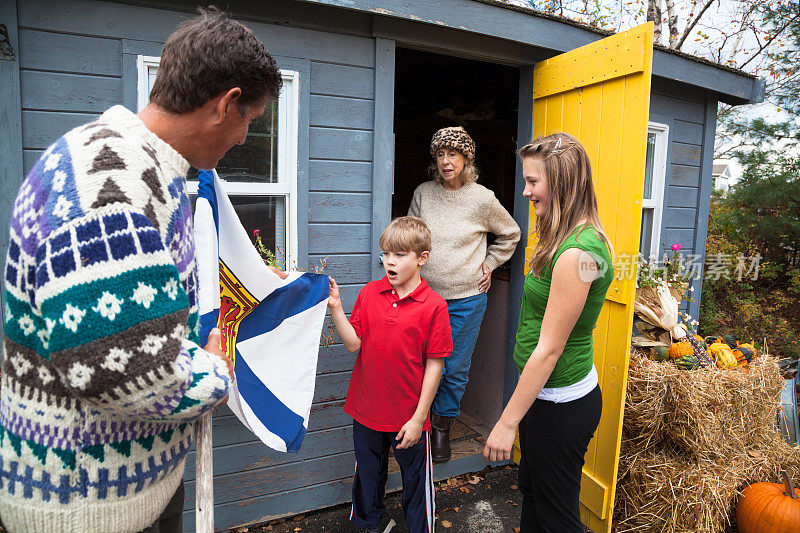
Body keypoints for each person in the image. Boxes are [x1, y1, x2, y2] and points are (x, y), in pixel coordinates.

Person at [0, 8, 282, 533]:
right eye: (252, 119)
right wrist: (215, 374)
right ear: (225, 104)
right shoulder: (105, 188)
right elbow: (118, 369)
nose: (245, 137)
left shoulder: (143, 166)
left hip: (128, 485)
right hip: (86, 504)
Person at [482, 133, 614, 532]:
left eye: (533, 181)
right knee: (535, 495)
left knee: (559, 519)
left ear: (563, 181)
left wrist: (506, 422)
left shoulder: (578, 254)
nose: (526, 191)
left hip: (562, 404)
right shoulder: (565, 239)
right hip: (545, 397)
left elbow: (550, 349)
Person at [327, 217, 452, 533]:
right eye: (385, 254)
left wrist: (418, 418)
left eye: (399, 255)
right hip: (366, 409)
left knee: (415, 481)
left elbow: (435, 365)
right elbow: (354, 344)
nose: (389, 261)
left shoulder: (434, 306)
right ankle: (368, 522)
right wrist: (337, 308)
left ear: (422, 258)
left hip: (408, 417)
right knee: (368, 474)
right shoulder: (370, 293)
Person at [408, 126, 520, 462]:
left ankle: (441, 428)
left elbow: (510, 234)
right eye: (440, 154)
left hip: (467, 299)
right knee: (419, 360)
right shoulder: (424, 193)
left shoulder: (482, 198)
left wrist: (490, 264)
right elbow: (410, 236)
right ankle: (416, 422)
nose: (446, 161)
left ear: (466, 159)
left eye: (453, 154)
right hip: (424, 296)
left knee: (454, 367)